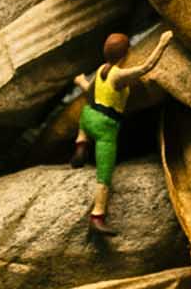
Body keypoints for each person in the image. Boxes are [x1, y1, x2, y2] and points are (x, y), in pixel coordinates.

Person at [72, 28, 175, 236]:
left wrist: (81, 80)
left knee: (86, 110)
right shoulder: (118, 75)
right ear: (126, 53)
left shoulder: (102, 69)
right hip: (105, 128)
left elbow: (89, 92)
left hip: (89, 117)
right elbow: (146, 67)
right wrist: (163, 43)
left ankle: (81, 144)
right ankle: (97, 216)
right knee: (105, 175)